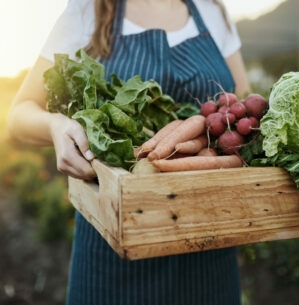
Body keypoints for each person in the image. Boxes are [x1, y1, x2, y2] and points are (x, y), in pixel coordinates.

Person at [7, 0, 251, 304]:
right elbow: (18, 114)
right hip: (112, 248)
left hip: (209, 241)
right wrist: (56, 126)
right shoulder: (86, 10)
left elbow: (241, 109)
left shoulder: (211, 10)